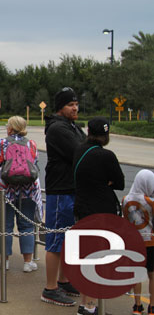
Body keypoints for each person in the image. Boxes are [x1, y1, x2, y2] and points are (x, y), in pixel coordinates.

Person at [73, 117, 124, 315]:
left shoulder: (79, 151)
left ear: (88, 131)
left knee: (87, 258)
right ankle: (93, 306)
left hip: (82, 207)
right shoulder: (107, 156)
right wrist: (107, 182)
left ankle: (86, 305)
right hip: (102, 211)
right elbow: (119, 182)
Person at [41, 87, 85, 306]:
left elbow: (86, 146)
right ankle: (50, 288)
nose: (75, 108)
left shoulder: (72, 126)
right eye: (70, 104)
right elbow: (80, 151)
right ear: (61, 107)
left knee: (69, 238)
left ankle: (64, 279)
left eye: (76, 104)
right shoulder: (58, 129)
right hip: (60, 190)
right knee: (56, 240)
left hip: (72, 189)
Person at [0, 116, 43, 272]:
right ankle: (27, 262)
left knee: (6, 226)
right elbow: (34, 162)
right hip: (29, 189)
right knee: (27, 226)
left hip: (5, 188)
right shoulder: (32, 144)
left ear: (10, 128)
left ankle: (5, 261)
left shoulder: (0, 143)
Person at [123, 170, 154, 315]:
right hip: (150, 242)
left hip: (134, 243)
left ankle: (137, 306)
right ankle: (152, 306)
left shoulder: (125, 199)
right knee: (152, 275)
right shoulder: (150, 202)